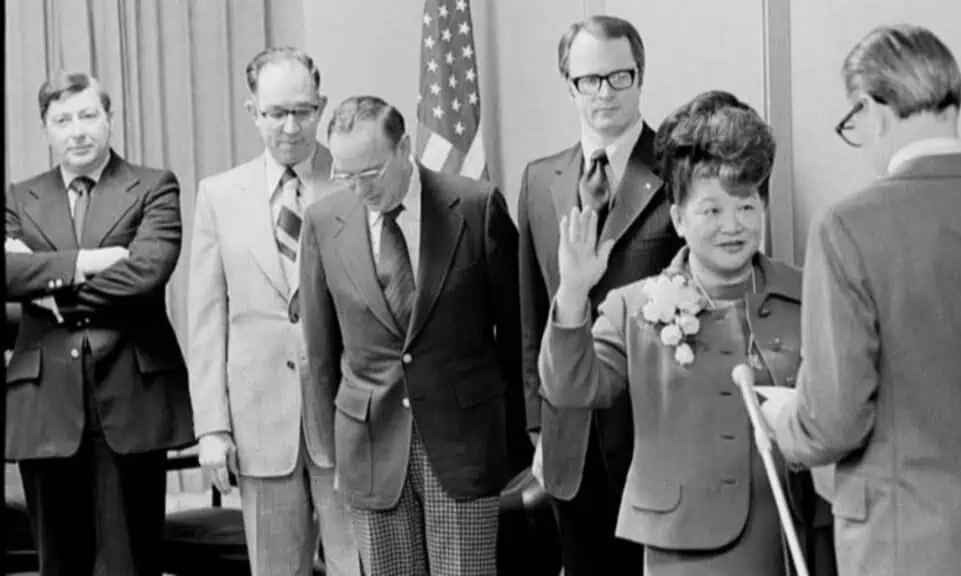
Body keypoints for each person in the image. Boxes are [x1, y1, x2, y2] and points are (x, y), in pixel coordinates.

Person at [756, 24, 961, 576]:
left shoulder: (848, 229)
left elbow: (833, 423)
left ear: (872, 110)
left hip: (899, 542)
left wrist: (783, 420)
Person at [538, 90, 834, 576]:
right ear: (677, 218)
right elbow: (570, 389)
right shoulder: (633, 307)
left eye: (746, 207)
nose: (732, 226)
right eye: (712, 211)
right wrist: (573, 293)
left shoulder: (809, 293)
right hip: (688, 547)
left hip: (798, 535)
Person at [300, 95, 527, 576]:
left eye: (371, 172)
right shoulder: (323, 224)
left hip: (463, 445)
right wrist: (333, 454)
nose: (360, 188)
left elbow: (515, 333)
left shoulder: (475, 205)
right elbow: (321, 353)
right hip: (370, 445)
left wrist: (514, 443)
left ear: (404, 147)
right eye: (346, 175)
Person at [5, 71, 194, 575]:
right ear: (45, 129)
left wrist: (48, 287)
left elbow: (147, 272)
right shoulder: (19, 198)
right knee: (58, 563)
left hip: (131, 394)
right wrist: (85, 263)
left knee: (129, 561)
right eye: (62, 120)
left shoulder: (154, 186)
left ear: (109, 118)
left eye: (88, 115)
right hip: (45, 401)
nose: (77, 130)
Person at [518, 15, 683, 575]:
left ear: (640, 76)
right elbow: (530, 312)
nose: (605, 92)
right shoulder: (540, 180)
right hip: (570, 439)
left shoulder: (679, 172)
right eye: (590, 79)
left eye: (619, 76)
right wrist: (538, 429)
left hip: (655, 436)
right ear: (568, 84)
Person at [187, 47, 354, 575]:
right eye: (276, 113)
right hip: (260, 425)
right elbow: (207, 319)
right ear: (252, 111)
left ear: (322, 106)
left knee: (363, 566)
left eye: (303, 111)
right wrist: (212, 427)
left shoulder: (354, 179)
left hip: (350, 421)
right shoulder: (218, 195)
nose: (290, 127)